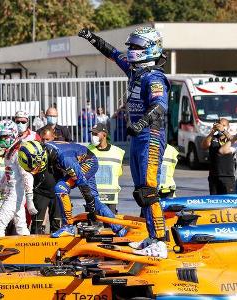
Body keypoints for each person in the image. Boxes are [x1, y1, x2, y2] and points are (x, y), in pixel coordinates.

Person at [79, 26, 169, 257]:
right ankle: (151, 236)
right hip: (139, 137)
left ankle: (160, 241)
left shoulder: (155, 77)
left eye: (136, 46)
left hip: (151, 136)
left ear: (150, 49)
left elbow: (160, 106)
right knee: (141, 192)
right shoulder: (134, 71)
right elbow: (113, 53)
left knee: (149, 191)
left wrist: (141, 123)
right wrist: (92, 38)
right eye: (131, 45)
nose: (131, 50)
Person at [17, 140, 126, 238]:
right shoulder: (45, 149)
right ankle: (119, 229)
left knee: (60, 188)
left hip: (87, 163)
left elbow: (82, 183)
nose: (35, 170)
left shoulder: (65, 158)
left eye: (36, 165)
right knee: (96, 201)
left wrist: (90, 205)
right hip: (83, 158)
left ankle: (68, 226)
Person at [0, 119, 37, 237]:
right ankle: (26, 253)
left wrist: (30, 201)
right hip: (13, 193)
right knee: (21, 228)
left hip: (15, 195)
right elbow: (7, 176)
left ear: (13, 134)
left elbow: (27, 176)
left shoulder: (19, 151)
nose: (1, 140)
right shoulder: (10, 151)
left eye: (4, 136)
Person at [29, 127, 61, 234]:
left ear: (53, 138)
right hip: (40, 191)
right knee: (37, 224)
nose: (44, 142)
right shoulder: (35, 152)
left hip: (56, 192)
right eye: (42, 140)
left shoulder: (59, 152)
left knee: (56, 223)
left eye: (47, 139)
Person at [88, 123, 125, 213]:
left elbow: (119, 172)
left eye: (96, 134)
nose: (93, 136)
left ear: (104, 135)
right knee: (94, 225)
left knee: (110, 225)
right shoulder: (88, 150)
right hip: (93, 196)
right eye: (92, 134)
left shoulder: (118, 152)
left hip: (110, 198)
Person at [201, 118, 235, 195]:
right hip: (214, 175)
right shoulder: (213, 138)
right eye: (220, 125)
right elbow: (204, 146)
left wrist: (224, 131)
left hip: (228, 176)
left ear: (228, 127)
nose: (221, 127)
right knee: (214, 201)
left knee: (228, 201)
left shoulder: (231, 138)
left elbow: (235, 141)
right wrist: (212, 132)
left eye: (224, 125)